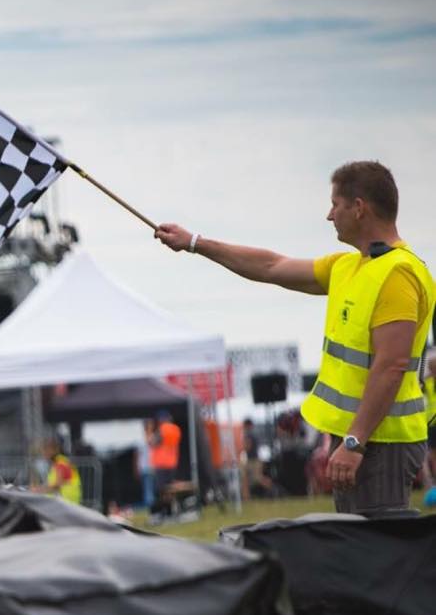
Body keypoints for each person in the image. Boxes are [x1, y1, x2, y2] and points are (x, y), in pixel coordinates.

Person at [158, 161, 433, 515]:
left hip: (379, 442)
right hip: (363, 439)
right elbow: (271, 266)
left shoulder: (397, 273)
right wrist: (195, 243)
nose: (329, 215)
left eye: (335, 204)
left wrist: (355, 442)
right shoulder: (349, 267)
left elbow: (391, 366)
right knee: (358, 544)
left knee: (378, 547)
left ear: (359, 208)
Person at [38, 439, 83, 504]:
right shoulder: (60, 462)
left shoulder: (60, 463)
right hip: (66, 499)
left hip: (66, 500)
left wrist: (39, 490)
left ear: (54, 450)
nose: (43, 453)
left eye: (46, 450)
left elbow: (57, 484)